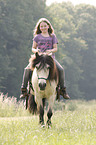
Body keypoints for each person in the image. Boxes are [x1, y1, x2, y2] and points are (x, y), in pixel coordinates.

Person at [20, 18, 70, 99]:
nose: (43, 28)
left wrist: (50, 51)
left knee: (61, 69)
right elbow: (33, 48)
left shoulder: (52, 36)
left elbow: (55, 48)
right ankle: (24, 90)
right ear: (39, 28)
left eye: (45, 26)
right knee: (26, 69)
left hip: (50, 58)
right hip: (38, 58)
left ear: (48, 26)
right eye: (41, 26)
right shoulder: (37, 37)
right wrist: (37, 51)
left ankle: (63, 90)